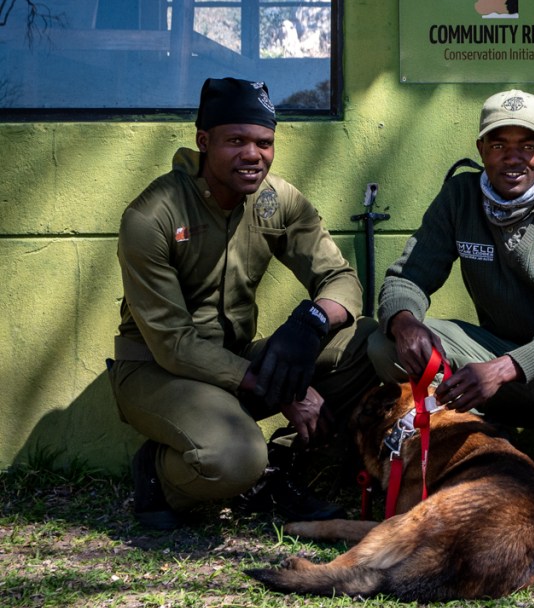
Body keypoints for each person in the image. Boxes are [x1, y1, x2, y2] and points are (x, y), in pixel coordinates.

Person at [109, 77, 379, 530]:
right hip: (157, 370)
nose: (253, 155)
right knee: (233, 458)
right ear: (203, 141)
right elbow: (174, 344)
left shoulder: (275, 200)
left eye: (264, 143)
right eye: (236, 141)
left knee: (365, 342)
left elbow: (340, 279)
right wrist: (280, 389)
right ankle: (158, 473)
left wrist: (311, 322)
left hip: (234, 362)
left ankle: (278, 465)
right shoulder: (152, 216)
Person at [367, 89, 534, 543]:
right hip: (491, 349)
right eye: (498, 145)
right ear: (480, 150)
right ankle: (455, 468)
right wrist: (405, 319)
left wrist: (507, 368)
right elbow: (405, 278)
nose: (514, 159)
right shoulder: (460, 196)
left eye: (527, 146)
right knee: (384, 343)